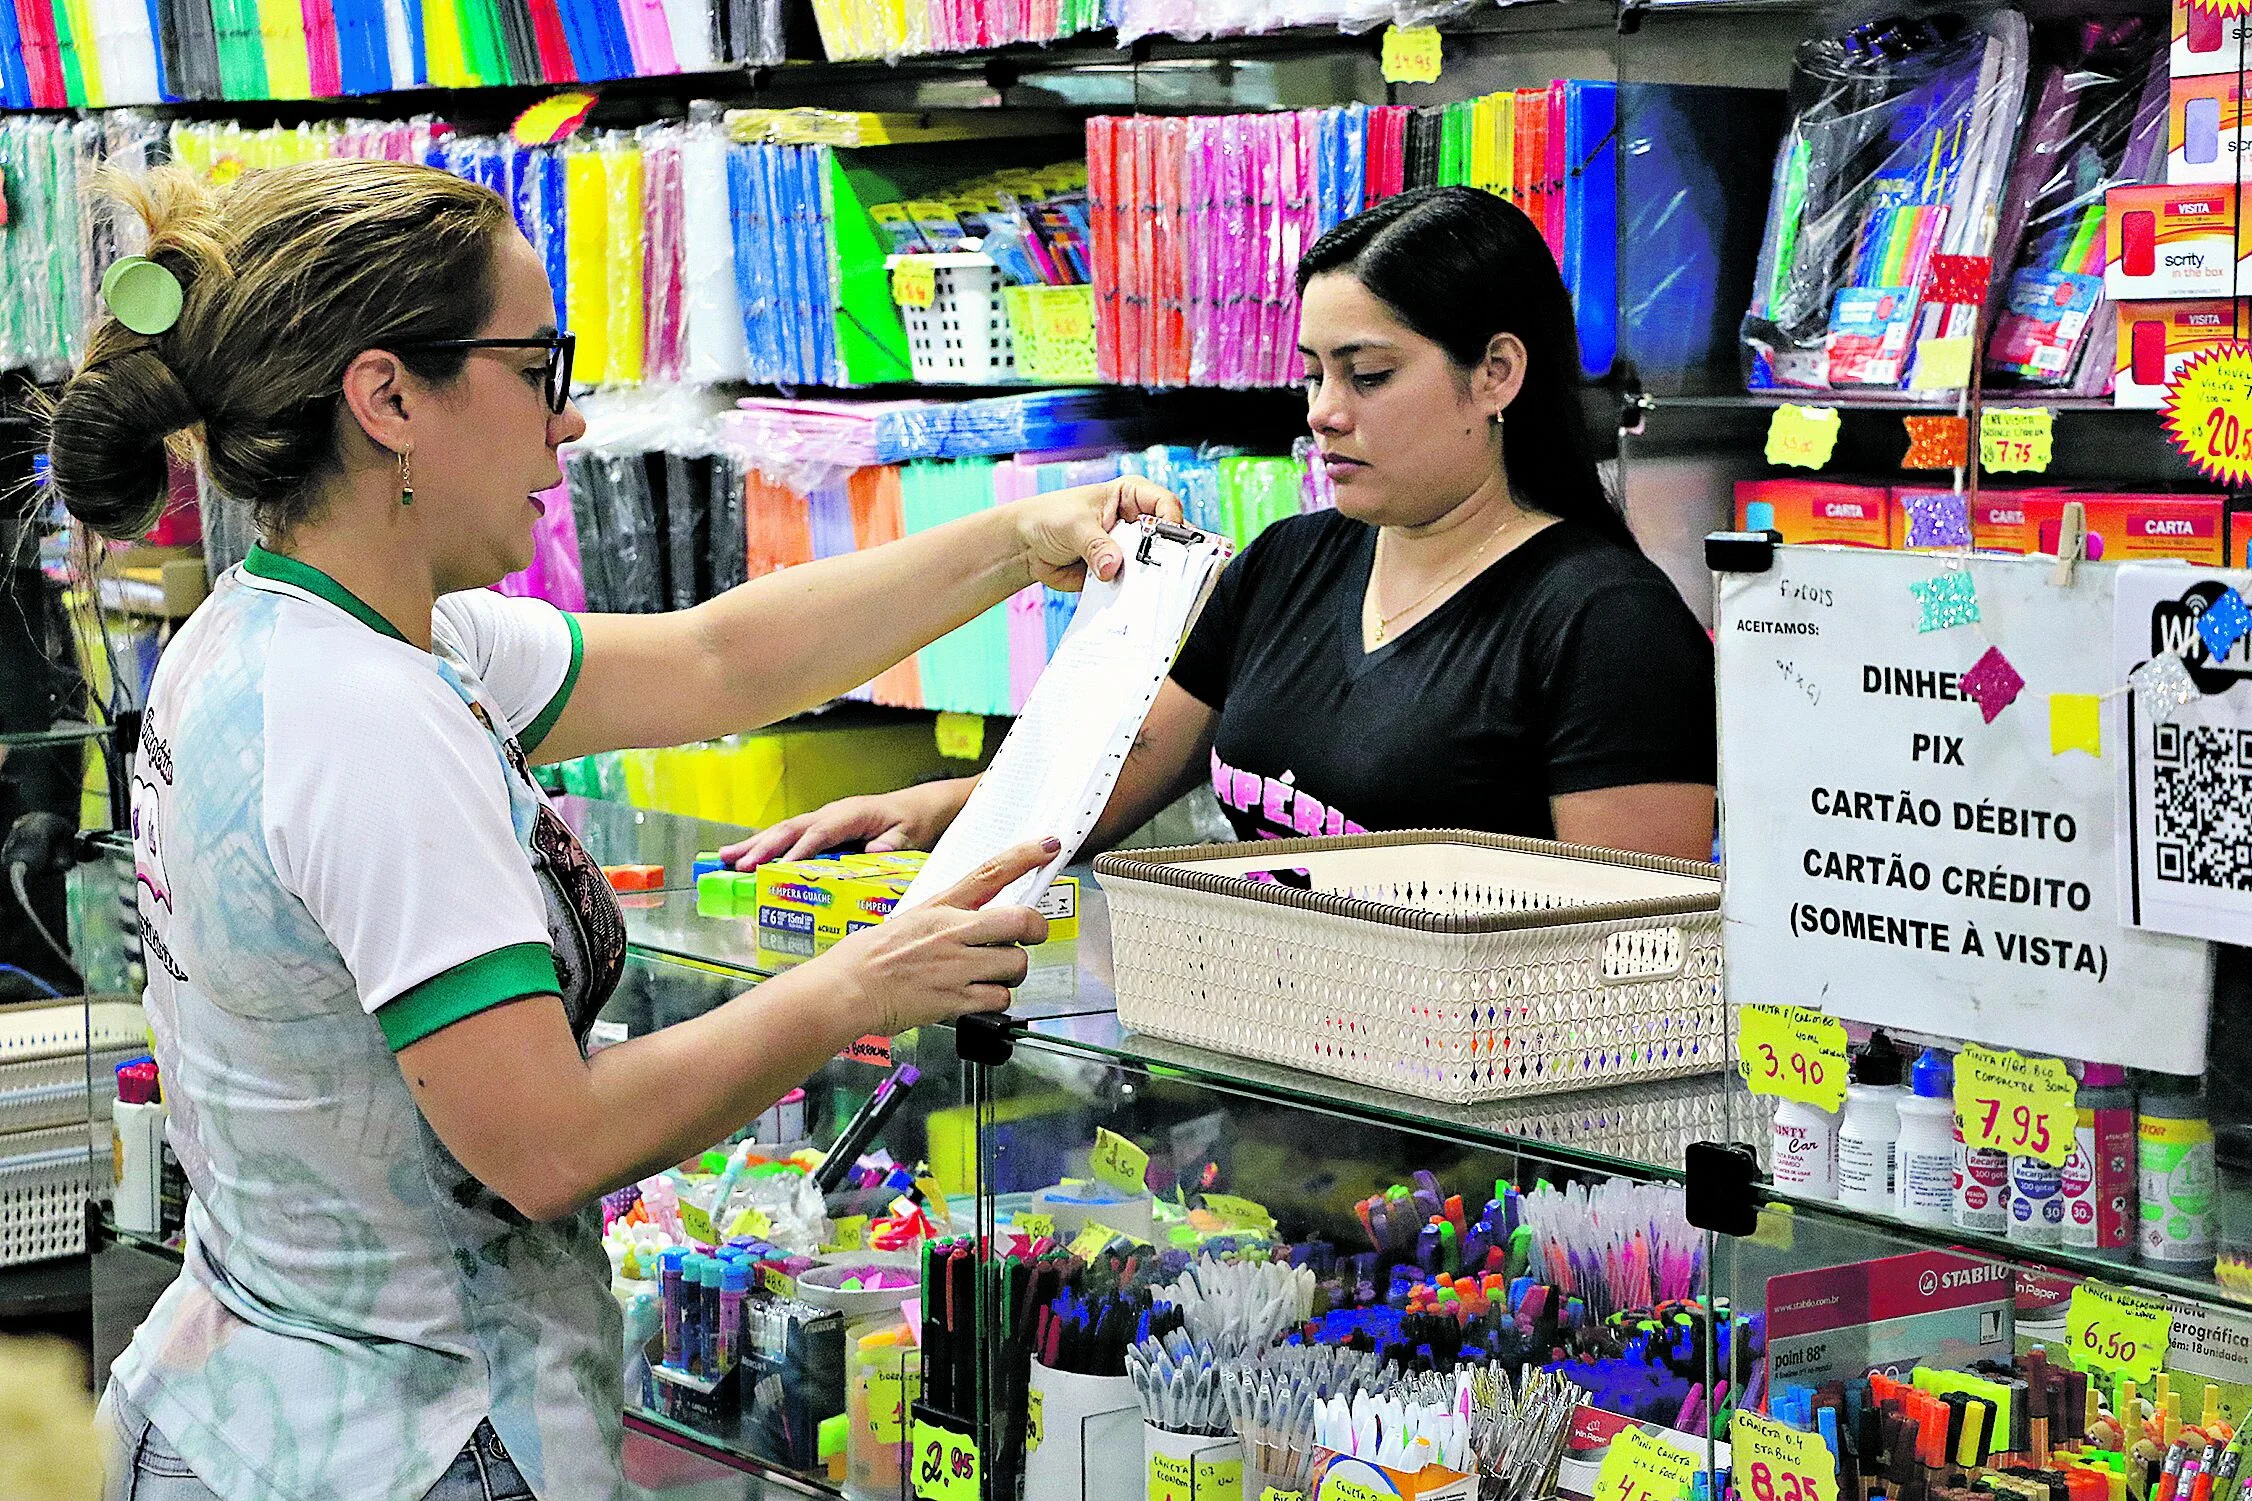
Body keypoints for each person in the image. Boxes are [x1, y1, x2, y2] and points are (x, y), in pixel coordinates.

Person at [43, 159, 1175, 1501]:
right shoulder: (367, 722)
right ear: (389, 396)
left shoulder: (288, 629)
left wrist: (1010, 539)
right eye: (539, 368)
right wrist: (867, 978)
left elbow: (716, 664)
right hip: (406, 1443)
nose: (570, 425)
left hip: (249, 1405)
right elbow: (548, 1147)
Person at [729, 187, 1717, 874]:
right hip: (1276, 1110)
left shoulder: (1607, 626)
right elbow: (1096, 785)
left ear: (1495, 375)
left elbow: (1626, 965)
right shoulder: (1288, 561)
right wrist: (921, 811)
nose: (1324, 412)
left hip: (1483, 1156)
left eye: (1366, 375)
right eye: (1311, 372)